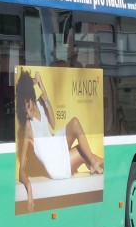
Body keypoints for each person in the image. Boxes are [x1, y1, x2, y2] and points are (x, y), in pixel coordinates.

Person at [15, 70, 103, 212]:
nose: (29, 115)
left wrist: (42, 86)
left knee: (87, 151)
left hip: (57, 146)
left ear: (32, 99)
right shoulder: (27, 127)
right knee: (77, 130)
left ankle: (95, 163)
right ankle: (93, 164)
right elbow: (22, 169)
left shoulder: (40, 104)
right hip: (55, 164)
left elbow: (54, 124)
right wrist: (29, 191)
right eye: (25, 113)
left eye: (29, 109)